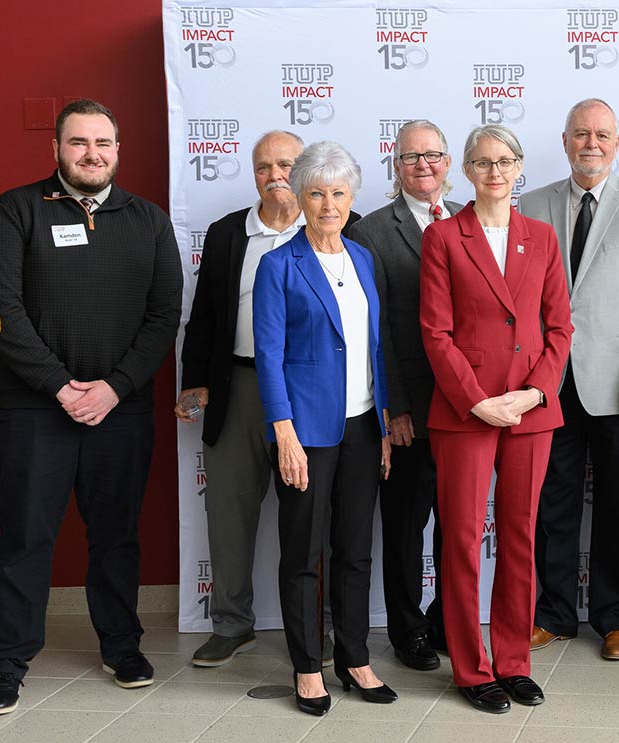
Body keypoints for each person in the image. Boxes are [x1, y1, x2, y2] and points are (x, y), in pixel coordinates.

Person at [0, 99, 182, 715]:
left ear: (118, 150)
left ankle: (122, 647)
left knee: (116, 537)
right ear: (57, 150)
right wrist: (62, 387)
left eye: (103, 143)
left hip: (121, 409)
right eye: (78, 143)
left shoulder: (148, 220)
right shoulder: (15, 211)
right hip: (37, 409)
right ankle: (6, 663)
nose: (92, 153)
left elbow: (163, 316)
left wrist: (114, 387)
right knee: (26, 537)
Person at [520, 98, 619, 661]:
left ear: (617, 143)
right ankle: (553, 614)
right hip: (547, 384)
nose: (592, 143)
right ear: (564, 140)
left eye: (603, 135)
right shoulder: (532, 203)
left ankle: (617, 618)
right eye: (581, 134)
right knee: (550, 503)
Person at [420, 125, 573, 713]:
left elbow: (559, 329)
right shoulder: (444, 237)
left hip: (530, 410)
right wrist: (477, 400)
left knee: (520, 536)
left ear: (519, 168)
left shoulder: (541, 237)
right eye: (483, 163)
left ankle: (512, 661)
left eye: (505, 162)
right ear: (466, 170)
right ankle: (470, 668)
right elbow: (435, 332)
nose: (494, 172)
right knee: (459, 538)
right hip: (467, 411)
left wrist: (534, 394)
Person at [253, 141, 395, 716]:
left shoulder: (362, 259)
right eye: (317, 192)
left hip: (363, 426)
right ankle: (307, 666)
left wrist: (384, 426)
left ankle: (354, 657)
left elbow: (374, 350)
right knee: (303, 554)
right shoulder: (276, 266)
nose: (328, 204)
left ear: (352, 197)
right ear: (301, 196)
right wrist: (283, 433)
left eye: (338, 193)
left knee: (356, 550)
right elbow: (268, 355)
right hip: (306, 431)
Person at [177, 130, 307, 668]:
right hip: (239, 386)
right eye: (263, 167)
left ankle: (311, 631)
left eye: (287, 165)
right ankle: (232, 624)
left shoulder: (336, 226)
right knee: (228, 511)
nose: (275, 176)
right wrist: (194, 379)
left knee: (309, 515)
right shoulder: (228, 232)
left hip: (308, 391)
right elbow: (204, 314)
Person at [347, 120, 463, 671]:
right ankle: (407, 631)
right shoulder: (371, 231)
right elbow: (378, 331)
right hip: (410, 411)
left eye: (434, 155)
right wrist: (394, 408)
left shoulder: (470, 220)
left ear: (448, 162)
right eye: (412, 156)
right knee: (404, 527)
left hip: (465, 405)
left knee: (458, 522)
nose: (424, 165)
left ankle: (446, 621)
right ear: (396, 165)